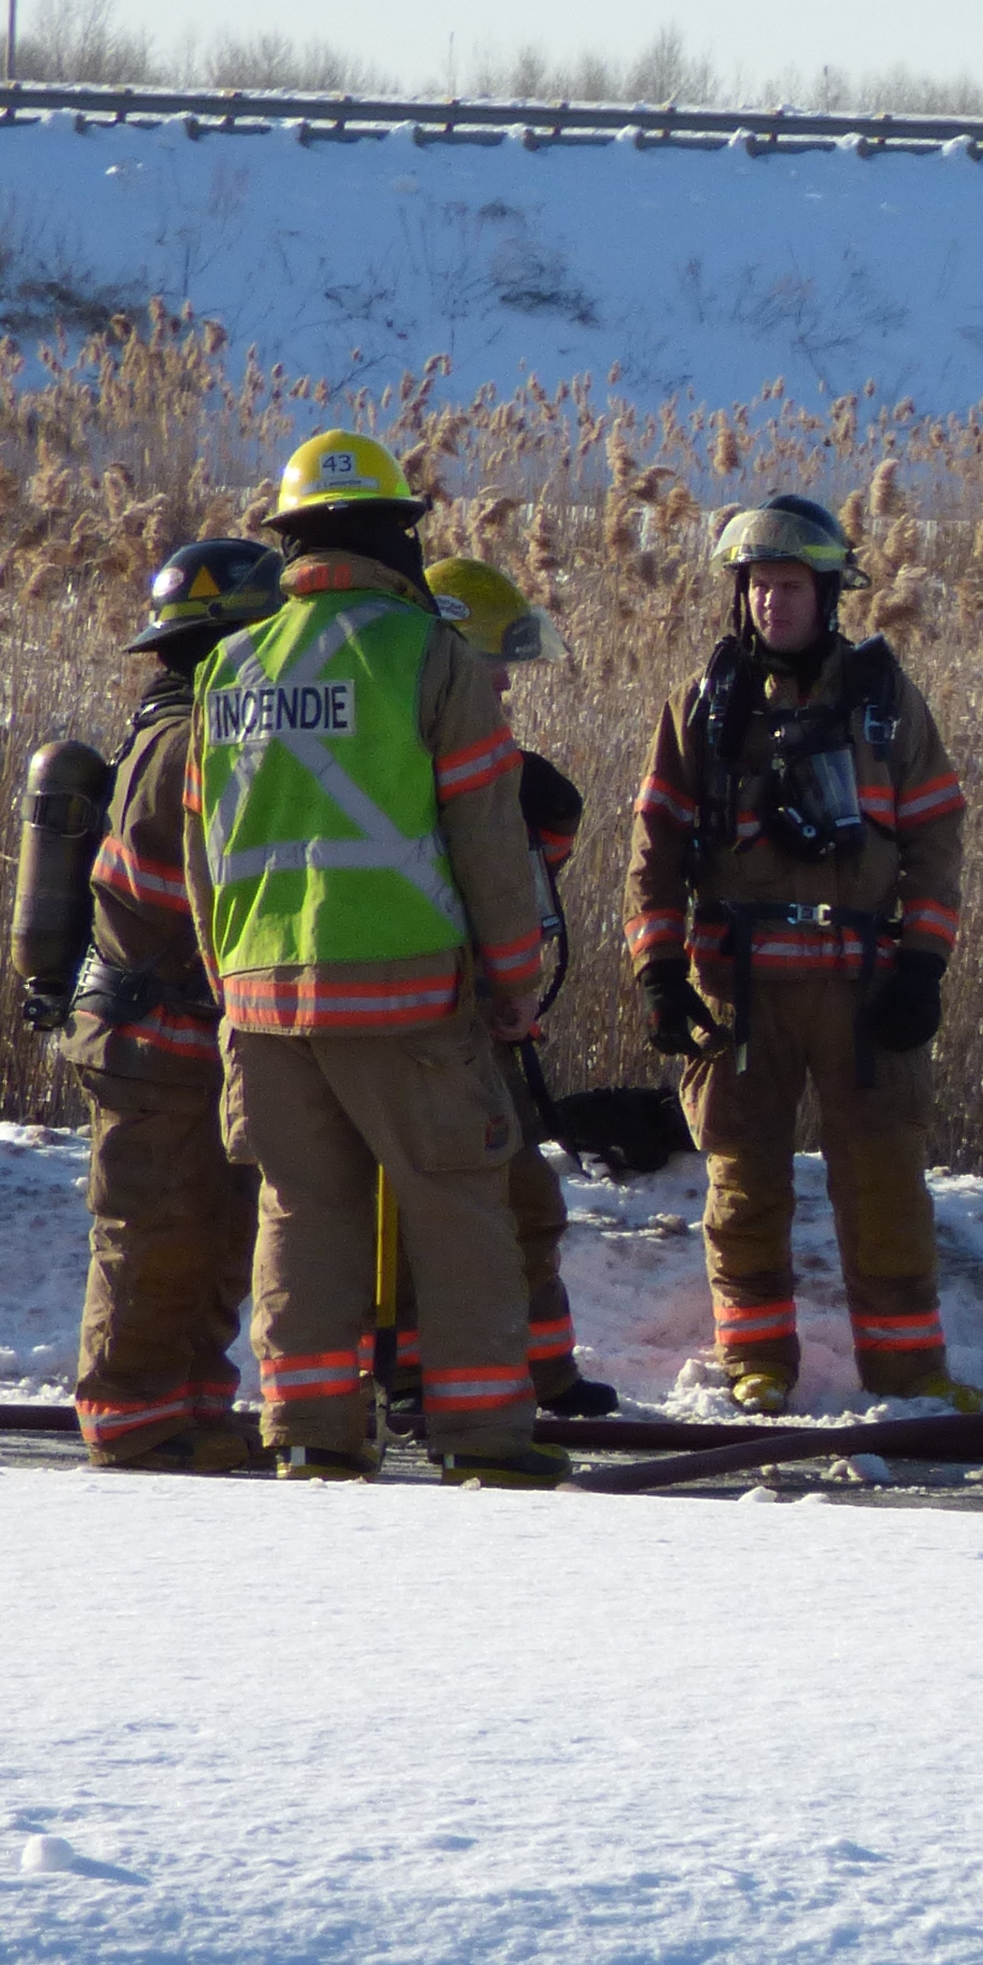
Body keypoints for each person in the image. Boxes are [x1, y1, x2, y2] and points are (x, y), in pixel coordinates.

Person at [184, 429, 565, 1485]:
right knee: (455, 1197)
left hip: (263, 998)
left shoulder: (225, 667)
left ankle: (308, 1434)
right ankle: (484, 1436)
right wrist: (513, 986)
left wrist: (232, 992)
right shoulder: (431, 655)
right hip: (403, 990)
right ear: (398, 537)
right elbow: (489, 840)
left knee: (302, 1211)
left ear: (293, 543)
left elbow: (203, 856)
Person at [623, 496, 972, 1414]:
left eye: (789, 586)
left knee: (886, 1181)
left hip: (864, 992)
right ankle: (758, 1363)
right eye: (759, 587)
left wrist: (924, 963)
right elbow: (653, 847)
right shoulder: (700, 706)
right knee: (741, 1186)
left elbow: (937, 833)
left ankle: (908, 1375)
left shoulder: (887, 704)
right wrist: (658, 973)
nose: (773, 604)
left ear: (828, 594)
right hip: (739, 995)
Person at [54, 537, 282, 1472]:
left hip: (187, 1031)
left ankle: (192, 1410)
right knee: (155, 1232)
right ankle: (131, 1421)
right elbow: (163, 896)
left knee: (214, 1227)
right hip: (154, 1034)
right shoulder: (189, 737)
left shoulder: (205, 727)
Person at [382, 556, 619, 1424]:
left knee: (525, 1202)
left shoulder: (487, 759)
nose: (507, 682)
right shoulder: (403, 761)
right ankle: (419, 1376)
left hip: (482, 1019)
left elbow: (520, 885)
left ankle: (542, 1376)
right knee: (445, 1206)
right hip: (433, 1019)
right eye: (492, 660)